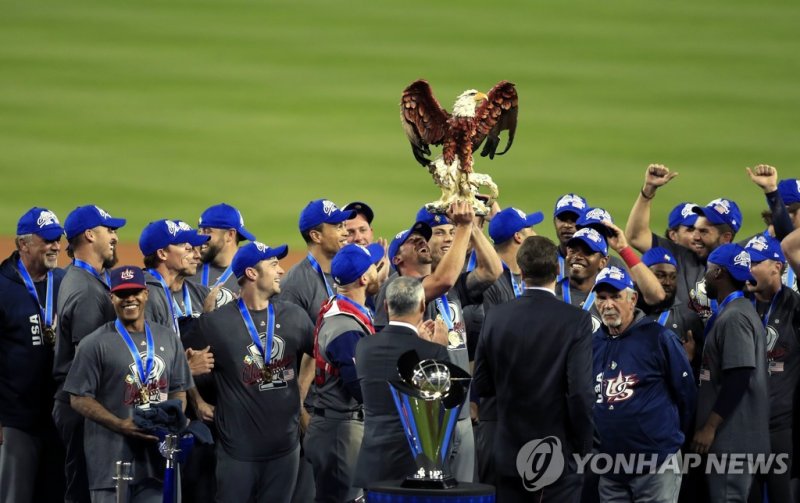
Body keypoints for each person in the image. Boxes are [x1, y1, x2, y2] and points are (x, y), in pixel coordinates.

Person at [182, 242, 314, 503]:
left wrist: (299, 393)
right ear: (252, 274)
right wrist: (197, 400)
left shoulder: (294, 316)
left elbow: (315, 352)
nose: (281, 270)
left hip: (285, 450)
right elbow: (178, 362)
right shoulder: (215, 323)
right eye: (274, 264)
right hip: (237, 452)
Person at [473, 236, 594, 502]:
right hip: (556, 455)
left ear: (521, 271)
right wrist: (584, 446)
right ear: (558, 269)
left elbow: (481, 383)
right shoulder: (576, 320)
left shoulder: (496, 317)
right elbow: (581, 393)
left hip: (507, 451)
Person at [64, 266, 192, 503]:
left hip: (158, 461)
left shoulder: (168, 338)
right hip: (111, 464)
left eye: (135, 292)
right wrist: (120, 424)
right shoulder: (94, 344)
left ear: (146, 294)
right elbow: (78, 398)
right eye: (122, 294)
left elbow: (179, 388)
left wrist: (172, 417)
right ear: (111, 297)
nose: (129, 299)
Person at [592, 265, 696, 503]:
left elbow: (686, 394)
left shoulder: (658, 337)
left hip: (656, 465)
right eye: (601, 298)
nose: (608, 304)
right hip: (610, 468)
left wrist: (668, 439)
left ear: (633, 299)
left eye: (616, 297)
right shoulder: (592, 344)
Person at [54, 204, 126, 503]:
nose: (115, 238)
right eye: (109, 230)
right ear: (89, 235)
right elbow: (92, 363)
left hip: (78, 403)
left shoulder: (83, 279)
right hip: (82, 406)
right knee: (85, 491)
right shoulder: (85, 292)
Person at [354, 276, 450, 489]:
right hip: (416, 465)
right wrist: (439, 351)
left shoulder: (364, 346)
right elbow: (443, 406)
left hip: (373, 463)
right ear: (423, 306)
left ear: (386, 306)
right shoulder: (432, 351)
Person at [305, 242, 383, 502]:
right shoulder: (344, 328)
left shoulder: (339, 305)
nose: (377, 269)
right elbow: (361, 389)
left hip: (336, 425)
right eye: (373, 266)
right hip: (340, 432)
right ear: (363, 278)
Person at [692, 244, 770, 502]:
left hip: (732, 441)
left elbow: (739, 376)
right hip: (735, 439)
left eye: (708, 270)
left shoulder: (735, 317)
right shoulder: (736, 312)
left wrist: (710, 427)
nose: (704, 276)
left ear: (718, 273)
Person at [0, 207, 66, 503]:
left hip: (58, 417)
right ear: (23, 244)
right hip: (17, 421)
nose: (56, 246)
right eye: (48, 240)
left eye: (58, 239)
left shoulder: (64, 283)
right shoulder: (2, 287)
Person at [475, 206, 543, 484]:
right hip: (501, 406)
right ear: (518, 238)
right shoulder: (493, 283)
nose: (532, 234)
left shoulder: (522, 278)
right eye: (528, 229)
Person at [625, 164, 738, 305]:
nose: (696, 236)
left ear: (726, 237)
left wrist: (771, 194)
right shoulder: (677, 255)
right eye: (693, 229)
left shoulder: (741, 266)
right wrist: (648, 191)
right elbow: (636, 236)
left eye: (703, 230)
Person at [743, 235, 800, 502]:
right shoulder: (739, 306)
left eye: (754, 262)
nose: (748, 269)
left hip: (781, 424)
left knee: (781, 495)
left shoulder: (794, 306)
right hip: (743, 426)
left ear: (777, 266)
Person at [280, 199, 355, 322]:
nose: (346, 233)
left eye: (344, 225)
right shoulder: (294, 285)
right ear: (316, 236)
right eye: (338, 227)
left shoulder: (351, 273)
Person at [139, 219, 211, 336]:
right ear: (162, 254)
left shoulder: (202, 293)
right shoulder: (144, 295)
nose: (198, 256)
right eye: (188, 248)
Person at [639, 247, 704, 367]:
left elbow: (701, 368)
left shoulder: (688, 317)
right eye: (660, 275)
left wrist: (687, 361)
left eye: (673, 277)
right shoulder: (628, 310)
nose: (668, 282)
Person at [190, 203, 257, 307]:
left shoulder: (251, 277)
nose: (200, 237)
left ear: (230, 235)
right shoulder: (189, 270)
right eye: (200, 230)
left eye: (207, 231)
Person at [552, 193, 588, 283]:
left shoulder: (603, 264)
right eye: (562, 219)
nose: (567, 225)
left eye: (574, 220)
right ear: (554, 222)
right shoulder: (545, 262)